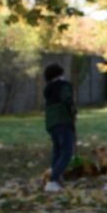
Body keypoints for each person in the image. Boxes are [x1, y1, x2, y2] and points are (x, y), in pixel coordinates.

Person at [43, 63, 76, 192]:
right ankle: (53, 180)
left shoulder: (48, 89)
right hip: (63, 120)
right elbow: (67, 99)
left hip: (51, 123)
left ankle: (55, 176)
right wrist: (73, 111)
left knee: (57, 150)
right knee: (67, 152)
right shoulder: (64, 85)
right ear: (60, 74)